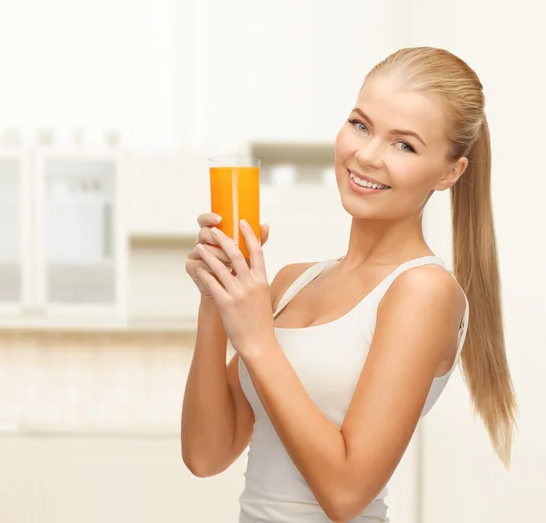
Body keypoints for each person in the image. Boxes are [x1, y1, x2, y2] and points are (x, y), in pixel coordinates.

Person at [181, 47, 517, 523]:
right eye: (360, 124)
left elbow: (345, 495)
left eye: (404, 145)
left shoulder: (423, 291)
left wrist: (256, 338)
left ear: (449, 173)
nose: (366, 155)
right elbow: (205, 455)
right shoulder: (294, 282)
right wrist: (217, 301)